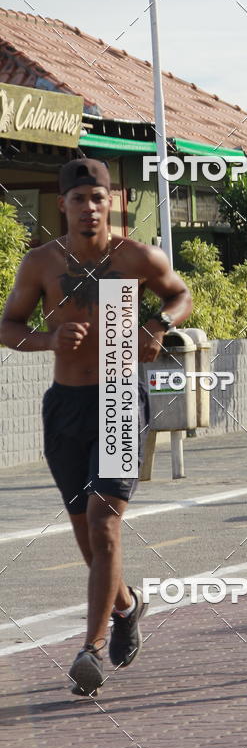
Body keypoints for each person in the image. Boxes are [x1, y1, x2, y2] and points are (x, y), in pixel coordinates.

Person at [0, 158, 192, 697]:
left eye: (98, 198)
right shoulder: (40, 263)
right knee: (87, 536)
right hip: (65, 406)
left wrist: (158, 324)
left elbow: (179, 295)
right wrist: (47, 339)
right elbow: (8, 326)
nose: (90, 208)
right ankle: (126, 606)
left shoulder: (136, 258)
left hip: (119, 401)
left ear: (113, 203)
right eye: (79, 199)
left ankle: (90, 649)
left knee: (105, 526)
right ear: (63, 204)